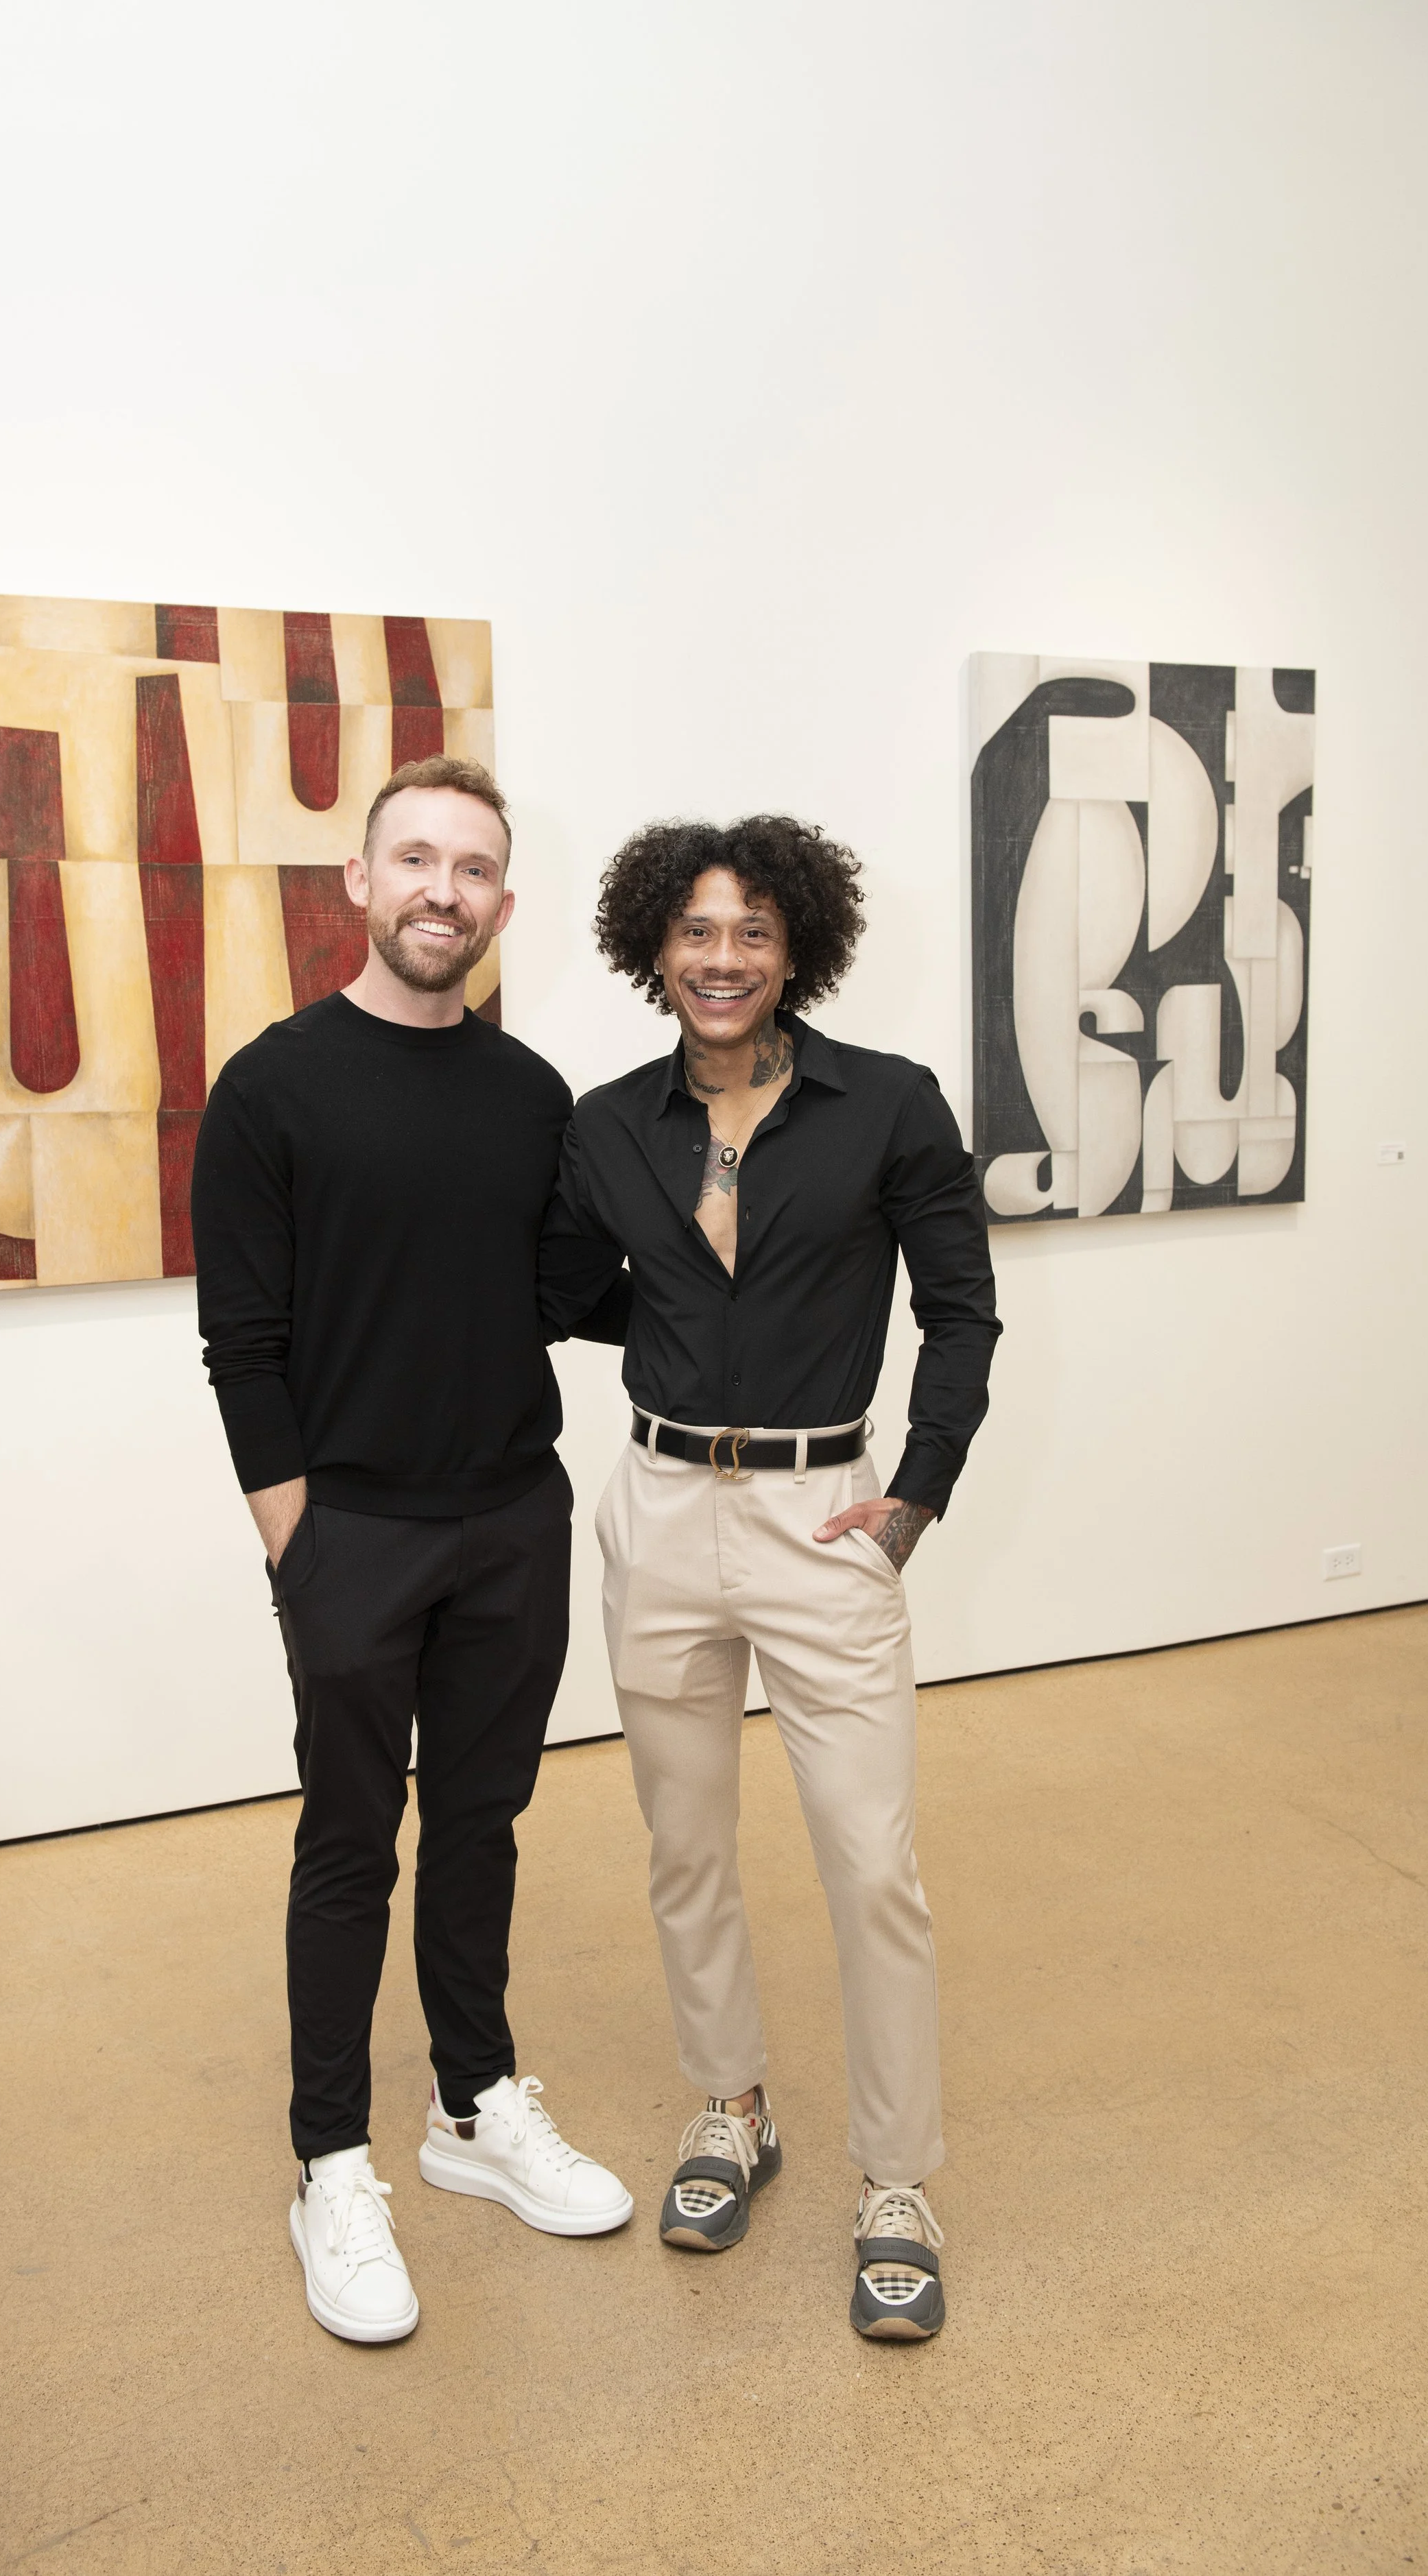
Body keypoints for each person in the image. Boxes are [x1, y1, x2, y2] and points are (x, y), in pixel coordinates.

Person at [539, 815, 1000, 2340]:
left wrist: (914, 1495)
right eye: (694, 933)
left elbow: (959, 1311)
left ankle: (895, 2180)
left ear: (795, 945)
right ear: (649, 949)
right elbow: (563, 1284)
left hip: (824, 1516)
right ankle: (729, 2107)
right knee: (683, 1846)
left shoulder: (888, 1106)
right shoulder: (607, 1123)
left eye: (749, 932)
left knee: (869, 1862)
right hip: (661, 1510)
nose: (720, 959)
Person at [191, 754, 632, 2348]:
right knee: (346, 1845)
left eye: (473, 870)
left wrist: (755, 1268)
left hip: (514, 1517)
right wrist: (301, 1549)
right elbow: (243, 1347)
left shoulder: (528, 1098)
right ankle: (328, 2161)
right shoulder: (273, 1087)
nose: (443, 891)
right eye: (416, 860)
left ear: (502, 907)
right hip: (355, 1535)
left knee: (486, 1825)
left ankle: (471, 2106)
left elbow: (578, 1296)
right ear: (361, 886)